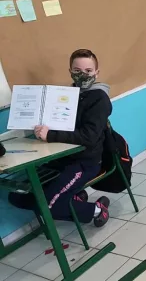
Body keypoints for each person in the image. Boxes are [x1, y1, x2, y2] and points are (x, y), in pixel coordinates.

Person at [9, 49, 112, 228]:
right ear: (70, 71)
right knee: (17, 195)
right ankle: (72, 200)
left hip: (83, 162)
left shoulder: (99, 99)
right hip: (59, 158)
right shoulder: (65, 96)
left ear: (97, 72)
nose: (83, 75)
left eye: (88, 71)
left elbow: (89, 136)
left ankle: (96, 209)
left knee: (49, 207)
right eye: (77, 70)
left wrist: (50, 135)